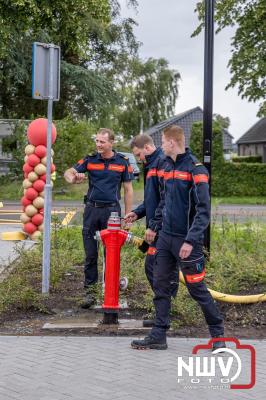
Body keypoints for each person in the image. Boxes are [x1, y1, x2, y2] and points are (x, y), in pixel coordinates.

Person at [131, 125, 225, 351]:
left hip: (186, 241)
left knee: (197, 289)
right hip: (165, 238)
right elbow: (163, 201)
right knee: (161, 286)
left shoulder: (196, 170)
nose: (161, 146)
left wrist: (191, 241)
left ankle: (218, 334)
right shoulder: (165, 166)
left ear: (172, 143)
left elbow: (203, 212)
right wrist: (154, 227)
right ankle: (159, 335)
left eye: (163, 142)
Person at [64, 128, 134, 308]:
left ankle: (109, 290)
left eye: (102, 142)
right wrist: (74, 179)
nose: (98, 145)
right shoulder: (89, 160)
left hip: (112, 213)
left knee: (111, 254)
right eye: (96, 141)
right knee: (90, 254)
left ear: (112, 142)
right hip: (91, 211)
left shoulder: (122, 162)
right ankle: (90, 294)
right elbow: (68, 173)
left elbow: (128, 190)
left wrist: (127, 216)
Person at [124, 134, 178, 326]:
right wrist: (136, 213)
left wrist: (154, 226)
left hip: (164, 228)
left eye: (139, 154)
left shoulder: (162, 164)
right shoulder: (151, 166)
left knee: (158, 268)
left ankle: (165, 315)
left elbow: (166, 200)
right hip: (157, 227)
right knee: (155, 268)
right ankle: (164, 313)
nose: (139, 159)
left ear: (147, 148)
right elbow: (151, 200)